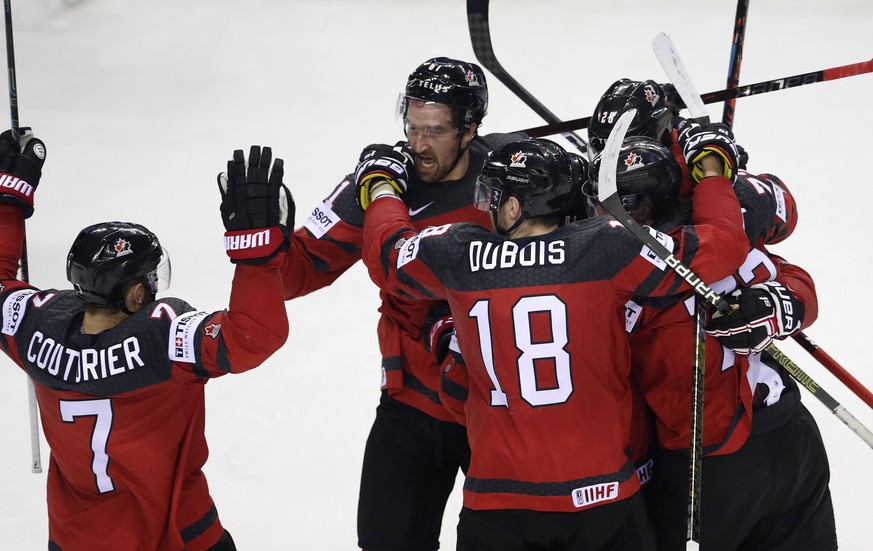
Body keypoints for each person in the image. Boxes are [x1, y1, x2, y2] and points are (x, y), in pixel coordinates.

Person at [358, 134, 750, 550]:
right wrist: (711, 170)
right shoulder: (609, 246)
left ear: (513, 206)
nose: (486, 206)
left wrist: (381, 184)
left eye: (493, 196)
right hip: (602, 500)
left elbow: (387, 254)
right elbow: (723, 245)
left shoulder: (455, 253)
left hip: (497, 507)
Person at [0, 132, 294, 551]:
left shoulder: (35, 327)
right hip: (178, 535)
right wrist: (257, 257)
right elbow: (253, 334)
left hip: (75, 540)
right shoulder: (162, 338)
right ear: (136, 293)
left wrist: (7, 202)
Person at [280, 57, 523, 551]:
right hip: (414, 403)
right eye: (412, 126)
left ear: (471, 127)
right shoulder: (377, 182)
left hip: (501, 405)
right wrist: (264, 242)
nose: (417, 144)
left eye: (434, 130)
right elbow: (296, 272)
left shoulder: (511, 174)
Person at [584, 82, 837, 549]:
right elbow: (787, 273)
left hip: (708, 460)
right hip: (785, 434)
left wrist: (779, 304)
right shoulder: (718, 220)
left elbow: (784, 225)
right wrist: (715, 175)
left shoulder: (638, 257)